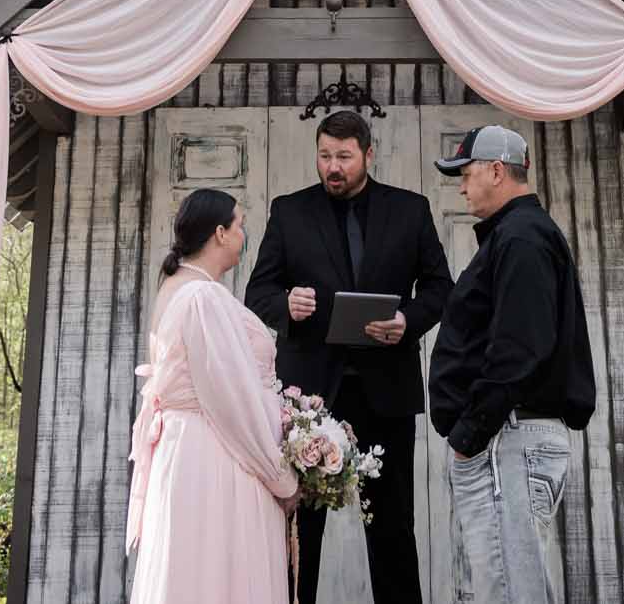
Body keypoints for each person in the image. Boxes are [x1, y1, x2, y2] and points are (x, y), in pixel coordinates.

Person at [246, 110, 453, 604]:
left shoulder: (411, 209)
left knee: (392, 530)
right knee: (300, 531)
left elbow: (442, 288)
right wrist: (287, 307)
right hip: (310, 403)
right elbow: (260, 293)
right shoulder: (289, 211)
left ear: (367, 155)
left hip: (388, 394)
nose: (332, 167)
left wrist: (407, 320)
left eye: (343, 157)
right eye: (324, 156)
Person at [426, 125, 595, 604]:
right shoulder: (518, 236)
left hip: (510, 440)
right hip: (509, 439)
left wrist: (469, 436)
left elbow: (519, 348)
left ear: (497, 171)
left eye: (467, 172)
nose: (461, 185)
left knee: (509, 592)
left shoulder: (521, 238)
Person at [128, 187, 298, 604]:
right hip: (216, 461)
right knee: (218, 576)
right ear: (220, 233)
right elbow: (232, 401)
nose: (244, 234)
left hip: (187, 454)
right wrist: (281, 477)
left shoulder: (179, 287)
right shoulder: (202, 297)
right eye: (240, 225)